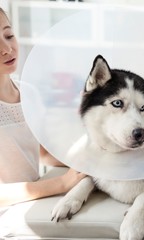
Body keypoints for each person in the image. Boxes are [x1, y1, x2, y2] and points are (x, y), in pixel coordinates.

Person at [0, 7, 86, 213]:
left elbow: (42, 153)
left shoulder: (28, 93)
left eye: (8, 35)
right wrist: (62, 183)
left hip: (29, 207)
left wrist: (87, 165)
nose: (7, 48)